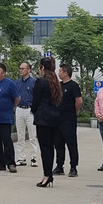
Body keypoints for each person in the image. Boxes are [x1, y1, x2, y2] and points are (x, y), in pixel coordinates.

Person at [32, 56, 63, 188]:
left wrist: (34, 111)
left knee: (45, 148)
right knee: (50, 147)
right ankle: (48, 174)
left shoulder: (41, 81)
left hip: (43, 118)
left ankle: (47, 175)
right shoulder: (56, 82)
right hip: (54, 118)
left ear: (42, 68)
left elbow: (35, 101)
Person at [53, 64, 82, 177]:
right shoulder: (58, 85)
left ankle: (73, 167)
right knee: (58, 143)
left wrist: (74, 111)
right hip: (57, 119)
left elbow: (79, 101)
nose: (58, 73)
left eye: (60, 71)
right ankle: (59, 166)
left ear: (66, 73)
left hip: (69, 119)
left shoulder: (73, 86)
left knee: (71, 143)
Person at [14, 62, 38, 168]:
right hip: (19, 109)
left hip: (30, 110)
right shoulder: (17, 83)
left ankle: (33, 157)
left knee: (32, 135)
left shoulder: (34, 82)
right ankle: (21, 157)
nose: (21, 70)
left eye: (23, 68)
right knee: (20, 135)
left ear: (28, 70)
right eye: (20, 68)